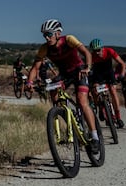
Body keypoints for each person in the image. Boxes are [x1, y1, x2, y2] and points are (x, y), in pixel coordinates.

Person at [26, 19, 100, 153]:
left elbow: (87, 53)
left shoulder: (69, 39)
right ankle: (67, 118)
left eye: (49, 34)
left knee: (82, 102)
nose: (47, 37)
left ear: (58, 33)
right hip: (64, 74)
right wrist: (29, 83)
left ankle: (95, 137)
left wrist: (88, 68)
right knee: (54, 94)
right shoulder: (44, 48)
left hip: (79, 71)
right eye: (44, 35)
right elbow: (35, 68)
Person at [89, 38, 126, 128]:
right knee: (94, 90)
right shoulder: (92, 56)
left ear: (102, 48)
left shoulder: (109, 51)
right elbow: (88, 67)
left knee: (113, 92)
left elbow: (122, 63)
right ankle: (100, 108)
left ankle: (118, 118)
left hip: (109, 73)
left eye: (98, 50)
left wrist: (122, 74)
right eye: (94, 51)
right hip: (98, 74)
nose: (97, 53)